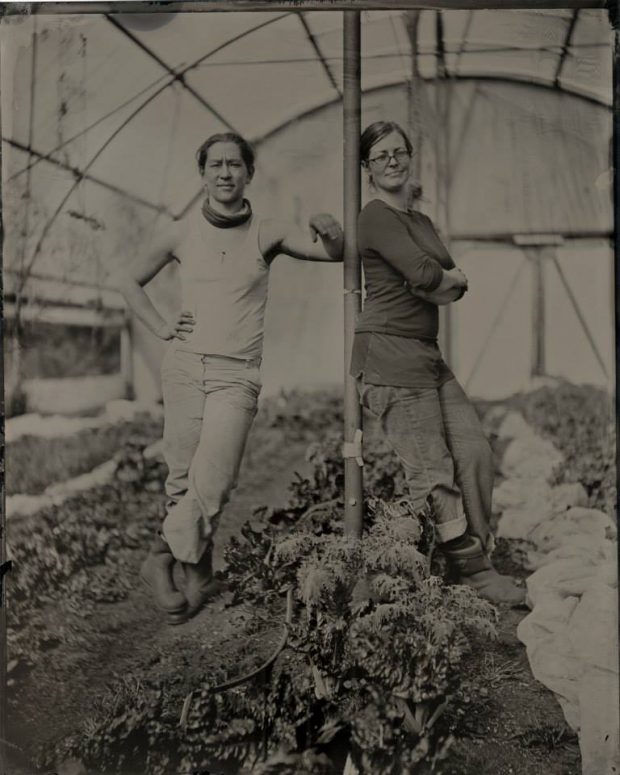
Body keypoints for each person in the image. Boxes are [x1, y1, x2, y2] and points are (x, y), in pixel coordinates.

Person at [114, 132, 344, 624]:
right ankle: (198, 571)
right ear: (203, 174)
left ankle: (158, 557)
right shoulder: (180, 233)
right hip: (184, 368)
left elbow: (333, 254)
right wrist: (160, 325)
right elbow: (128, 280)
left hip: (235, 374)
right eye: (215, 165)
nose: (224, 173)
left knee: (214, 480)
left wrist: (331, 230)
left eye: (234, 165)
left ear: (248, 174)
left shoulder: (268, 231)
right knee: (182, 479)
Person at [351, 120, 524, 606]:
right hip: (389, 354)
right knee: (432, 472)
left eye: (398, 151)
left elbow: (452, 282)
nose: (392, 160)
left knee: (475, 452)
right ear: (367, 167)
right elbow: (430, 272)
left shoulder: (420, 222)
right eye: (380, 155)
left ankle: (461, 553)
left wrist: (438, 280)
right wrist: (437, 278)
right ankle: (467, 569)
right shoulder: (375, 216)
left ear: (410, 156)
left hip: (427, 353)